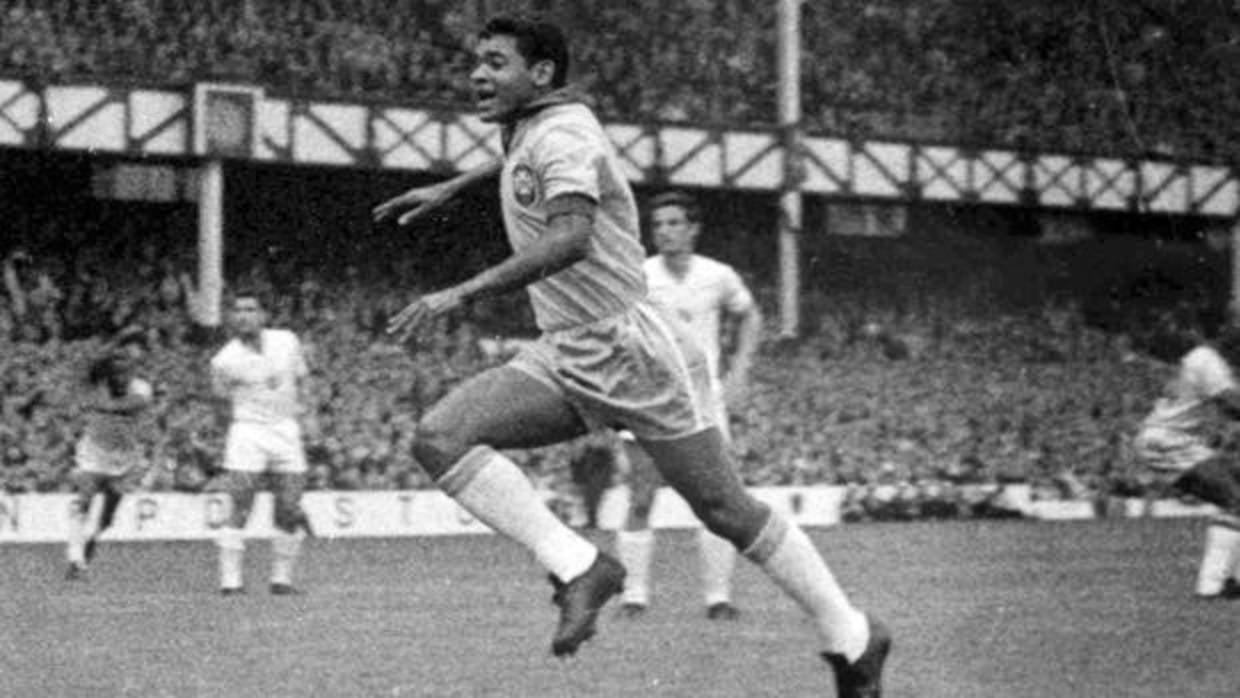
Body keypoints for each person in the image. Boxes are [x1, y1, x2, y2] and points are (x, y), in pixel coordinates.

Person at [374, 15, 890, 694]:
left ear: (541, 75)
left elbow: (570, 238)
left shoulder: (558, 131)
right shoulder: (543, 124)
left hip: (632, 350)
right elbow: (528, 163)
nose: (477, 74)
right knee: (440, 437)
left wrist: (463, 292)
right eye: (477, 61)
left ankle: (851, 635)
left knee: (725, 510)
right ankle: (580, 566)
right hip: (568, 346)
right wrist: (456, 185)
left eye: (495, 62)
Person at [614, 190, 762, 621]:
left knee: (716, 499)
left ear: (694, 228)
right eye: (658, 225)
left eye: (675, 223)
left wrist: (739, 372)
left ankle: (718, 598)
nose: (665, 232)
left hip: (703, 405)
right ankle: (634, 597)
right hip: (649, 401)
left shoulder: (718, 276)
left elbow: (750, 316)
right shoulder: (638, 276)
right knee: (641, 497)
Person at [210, 291, 316, 596]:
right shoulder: (223, 361)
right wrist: (234, 431)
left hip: (286, 429)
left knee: (289, 505)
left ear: (263, 315)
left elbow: (303, 379)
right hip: (248, 431)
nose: (244, 315)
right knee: (241, 503)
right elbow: (219, 401)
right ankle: (231, 583)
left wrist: (308, 414)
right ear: (231, 318)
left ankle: (281, 581)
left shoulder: (287, 341)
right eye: (237, 310)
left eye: (250, 309)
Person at [1134, 324, 1240, 599]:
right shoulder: (1207, 359)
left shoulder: (1200, 359)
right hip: (1169, 440)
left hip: (1170, 439)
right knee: (1235, 500)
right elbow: (1232, 404)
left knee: (1236, 497)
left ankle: (1231, 580)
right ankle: (1211, 587)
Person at [65, 330, 155, 580]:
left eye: (125, 373)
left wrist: (99, 405)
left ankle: (90, 542)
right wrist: (114, 343)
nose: (120, 378)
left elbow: (128, 405)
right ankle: (75, 558)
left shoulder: (142, 390)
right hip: (93, 453)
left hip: (124, 459)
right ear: (108, 374)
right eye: (115, 373)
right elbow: (91, 367)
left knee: (107, 518)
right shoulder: (99, 384)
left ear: (132, 373)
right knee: (82, 502)